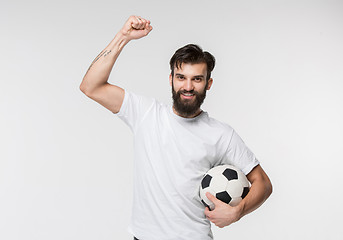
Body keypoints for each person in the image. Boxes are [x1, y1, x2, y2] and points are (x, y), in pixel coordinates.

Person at [80, 15, 272, 240]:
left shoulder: (221, 134)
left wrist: (237, 212)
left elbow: (263, 183)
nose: (188, 86)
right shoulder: (145, 113)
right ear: (171, 78)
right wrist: (123, 37)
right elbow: (90, 86)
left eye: (197, 79)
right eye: (181, 77)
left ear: (208, 83)